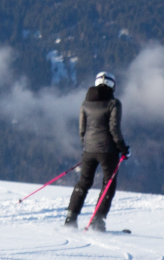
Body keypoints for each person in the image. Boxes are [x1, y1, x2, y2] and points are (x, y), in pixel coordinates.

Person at [65, 70, 128, 232]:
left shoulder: (85, 103)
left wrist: (87, 147)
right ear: (113, 85)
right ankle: (97, 222)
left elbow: (82, 130)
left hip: (89, 150)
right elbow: (114, 129)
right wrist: (123, 148)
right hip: (109, 151)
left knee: (83, 183)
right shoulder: (114, 103)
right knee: (108, 184)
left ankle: (70, 219)